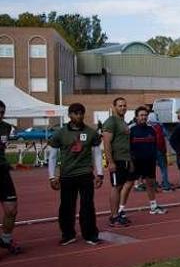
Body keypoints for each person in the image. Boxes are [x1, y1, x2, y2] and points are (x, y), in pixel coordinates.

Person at [47, 103, 103, 246]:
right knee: (66, 207)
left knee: (87, 206)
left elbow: (97, 154)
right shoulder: (60, 133)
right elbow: (52, 156)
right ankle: (68, 234)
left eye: (81, 113)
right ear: (69, 115)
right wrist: (52, 176)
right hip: (67, 175)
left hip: (85, 174)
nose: (79, 116)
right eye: (75, 113)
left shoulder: (91, 133)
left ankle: (90, 234)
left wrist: (100, 174)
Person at [102, 97, 133, 227]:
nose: (123, 108)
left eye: (124, 105)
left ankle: (117, 214)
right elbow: (106, 142)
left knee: (122, 186)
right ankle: (114, 216)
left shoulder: (123, 122)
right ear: (114, 107)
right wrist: (111, 162)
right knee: (116, 187)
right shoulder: (111, 121)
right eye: (120, 106)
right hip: (117, 160)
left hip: (125, 159)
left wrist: (130, 160)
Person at [130, 106, 167, 214]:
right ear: (136, 117)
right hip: (135, 162)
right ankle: (120, 209)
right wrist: (131, 161)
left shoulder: (151, 129)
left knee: (150, 184)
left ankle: (153, 206)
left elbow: (154, 145)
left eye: (145, 115)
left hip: (149, 162)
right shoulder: (132, 130)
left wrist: (154, 158)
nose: (143, 117)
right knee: (128, 185)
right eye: (141, 115)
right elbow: (128, 148)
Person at [0, 100, 22, 254]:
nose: (0, 115)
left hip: (2, 172)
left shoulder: (6, 128)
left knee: (11, 209)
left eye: (2, 112)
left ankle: (6, 240)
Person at [147, 112, 172, 191]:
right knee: (163, 168)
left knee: (151, 168)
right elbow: (168, 136)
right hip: (160, 150)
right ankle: (165, 184)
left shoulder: (147, 127)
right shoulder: (160, 126)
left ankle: (153, 185)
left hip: (150, 150)